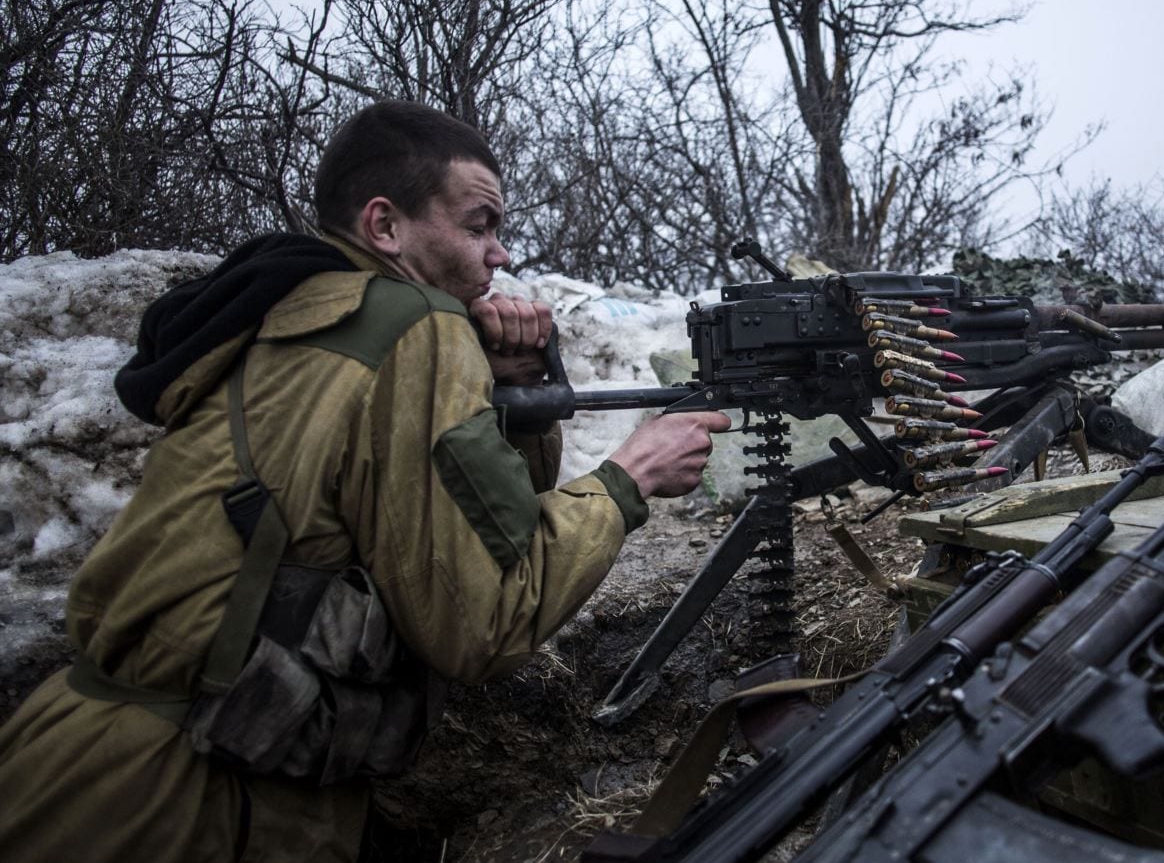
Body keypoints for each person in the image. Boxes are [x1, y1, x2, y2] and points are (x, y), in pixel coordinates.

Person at [0, 100, 731, 861]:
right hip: (187, 804)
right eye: (477, 226)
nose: (500, 254)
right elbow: (483, 620)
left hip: (74, 756)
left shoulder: (289, 311)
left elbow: (439, 513)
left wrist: (507, 399)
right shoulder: (416, 326)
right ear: (385, 227)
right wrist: (626, 479)